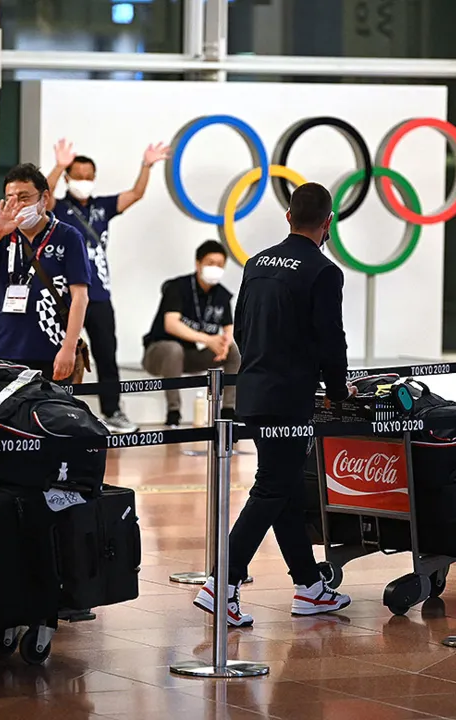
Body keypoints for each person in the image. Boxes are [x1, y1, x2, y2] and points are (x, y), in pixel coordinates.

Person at [194, 183, 354, 626]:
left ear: (288, 216)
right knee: (271, 490)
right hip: (290, 397)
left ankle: (309, 587)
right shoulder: (324, 271)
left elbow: (241, 328)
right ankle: (221, 582)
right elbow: (331, 340)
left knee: (281, 488)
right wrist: (338, 390)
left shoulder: (257, 262)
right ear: (328, 222)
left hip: (255, 389)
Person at [44, 139, 171, 433]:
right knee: (61, 352)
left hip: (98, 294)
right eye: (78, 176)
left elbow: (136, 194)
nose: (84, 182)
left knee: (106, 353)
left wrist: (146, 165)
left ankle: (113, 412)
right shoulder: (59, 207)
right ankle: (56, 409)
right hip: (64, 297)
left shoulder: (102, 207)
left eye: (89, 177)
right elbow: (44, 197)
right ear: (67, 178)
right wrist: (59, 164)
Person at [0, 163, 91, 382]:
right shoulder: (5, 235)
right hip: (6, 350)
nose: (17, 204)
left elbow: (80, 297)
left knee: (50, 414)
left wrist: (69, 348)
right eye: (10, 197)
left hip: (51, 351)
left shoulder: (68, 237)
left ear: (44, 198)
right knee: (5, 414)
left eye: (24, 197)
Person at [142, 240, 241, 427]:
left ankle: (229, 409)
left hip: (191, 356)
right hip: (159, 354)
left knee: (234, 350)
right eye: (210, 263)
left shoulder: (222, 295)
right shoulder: (178, 287)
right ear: (198, 264)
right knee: (174, 349)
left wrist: (224, 343)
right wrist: (208, 339)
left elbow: (229, 328)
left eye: (220, 265)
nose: (216, 269)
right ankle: (174, 411)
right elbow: (171, 324)